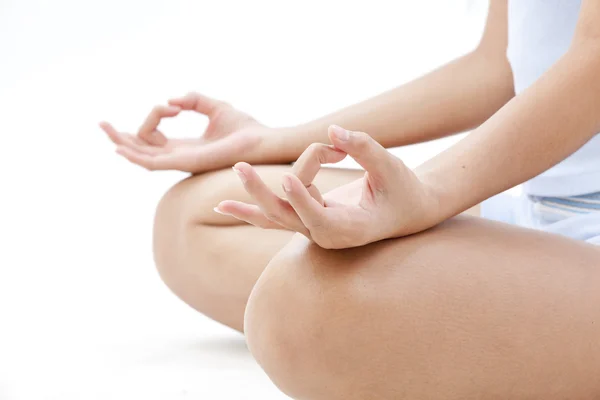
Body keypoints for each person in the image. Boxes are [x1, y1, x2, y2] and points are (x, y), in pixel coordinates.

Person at [101, 0, 600, 398]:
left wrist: (427, 194)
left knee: (299, 307)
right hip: (547, 208)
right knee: (194, 220)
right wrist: (272, 142)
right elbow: (500, 65)